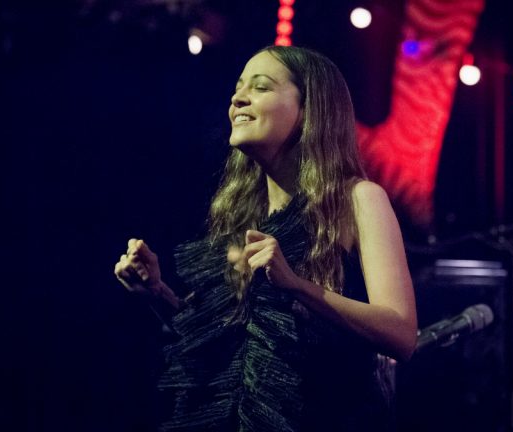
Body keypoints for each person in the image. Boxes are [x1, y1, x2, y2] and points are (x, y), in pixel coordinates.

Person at [114, 45, 417, 431]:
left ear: (309, 109)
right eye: (239, 88)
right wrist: (157, 293)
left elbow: (402, 334)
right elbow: (228, 351)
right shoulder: (241, 217)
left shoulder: (358, 199)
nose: (238, 98)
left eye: (260, 87)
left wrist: (296, 286)